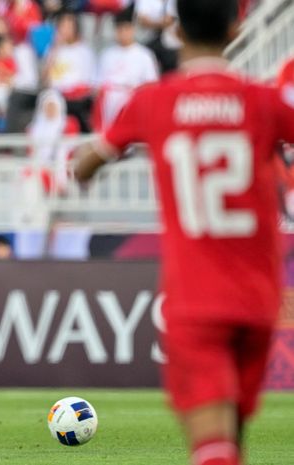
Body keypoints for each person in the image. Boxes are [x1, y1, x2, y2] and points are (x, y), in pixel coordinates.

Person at [73, 1, 294, 464]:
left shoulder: (152, 101)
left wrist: (93, 160)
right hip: (257, 298)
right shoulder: (264, 101)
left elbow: (85, 163)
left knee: (212, 447)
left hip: (196, 299)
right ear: (237, 28)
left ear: (174, 29)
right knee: (230, 441)